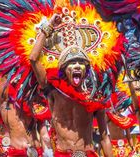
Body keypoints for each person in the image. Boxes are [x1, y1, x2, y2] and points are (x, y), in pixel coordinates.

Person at [30, 14, 112, 157]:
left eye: (81, 63)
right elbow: (33, 59)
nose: (77, 66)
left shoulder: (95, 96)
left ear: (86, 70)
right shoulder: (53, 90)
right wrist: (48, 27)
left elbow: (104, 137)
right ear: (63, 69)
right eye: (72, 63)